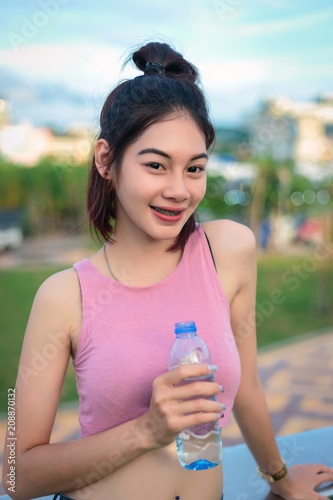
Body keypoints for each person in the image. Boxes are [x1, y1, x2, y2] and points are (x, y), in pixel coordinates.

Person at [3, 41, 333, 500]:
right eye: (156, 165)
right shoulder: (64, 296)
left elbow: (249, 385)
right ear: (106, 161)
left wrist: (280, 479)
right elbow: (16, 477)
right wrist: (146, 430)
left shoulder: (228, 251)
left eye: (194, 168)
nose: (179, 190)